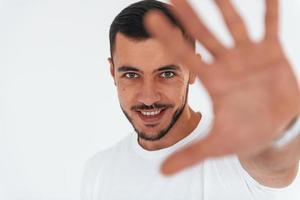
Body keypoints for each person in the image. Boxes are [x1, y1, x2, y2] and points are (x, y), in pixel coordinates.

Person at [81, 0, 300, 199]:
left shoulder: (236, 151)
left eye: (166, 74)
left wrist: (277, 131)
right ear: (112, 72)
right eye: (131, 75)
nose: (148, 97)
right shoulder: (98, 171)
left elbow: (275, 166)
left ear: (192, 71)